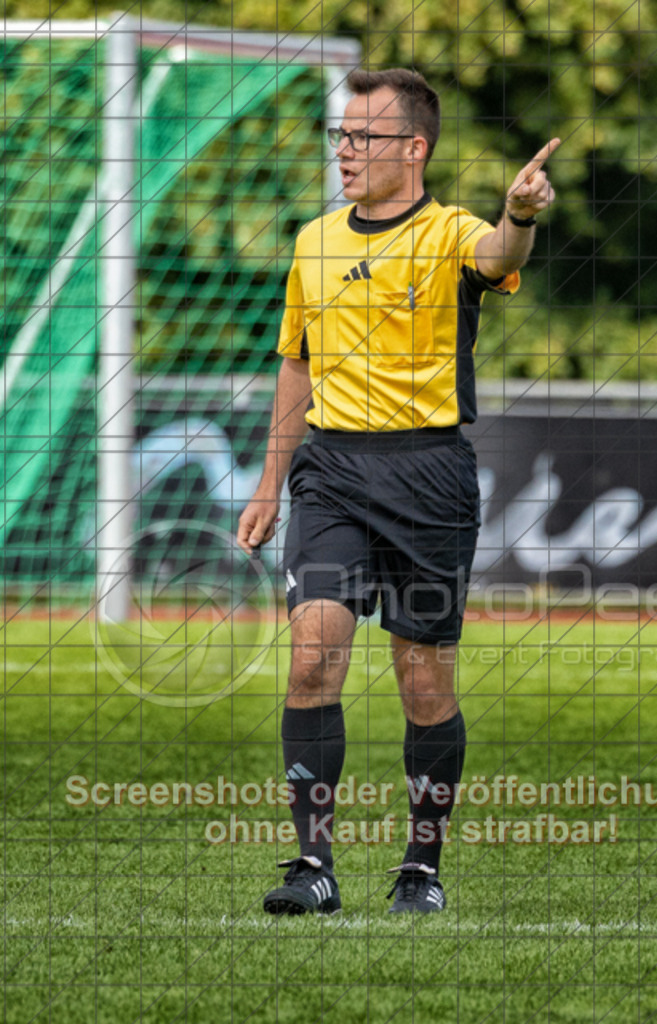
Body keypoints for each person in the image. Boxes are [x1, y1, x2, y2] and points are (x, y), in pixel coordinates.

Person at [237, 68, 559, 915]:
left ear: (412, 149)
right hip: (332, 472)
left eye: (362, 138)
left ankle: (420, 866)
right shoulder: (312, 242)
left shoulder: (454, 232)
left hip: (429, 477)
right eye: (340, 136)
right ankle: (312, 867)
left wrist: (519, 213)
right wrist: (271, 482)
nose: (344, 152)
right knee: (312, 658)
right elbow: (295, 364)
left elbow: (500, 257)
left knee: (424, 685)